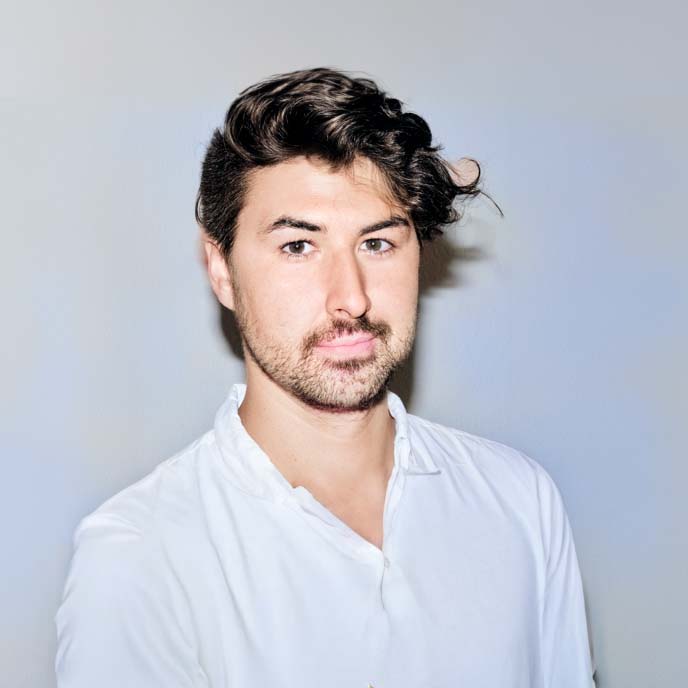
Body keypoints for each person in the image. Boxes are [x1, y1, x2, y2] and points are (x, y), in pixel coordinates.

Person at [55, 67, 596, 687]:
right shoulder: (140, 554)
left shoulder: (519, 500)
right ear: (222, 269)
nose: (352, 298)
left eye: (377, 243)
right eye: (298, 246)